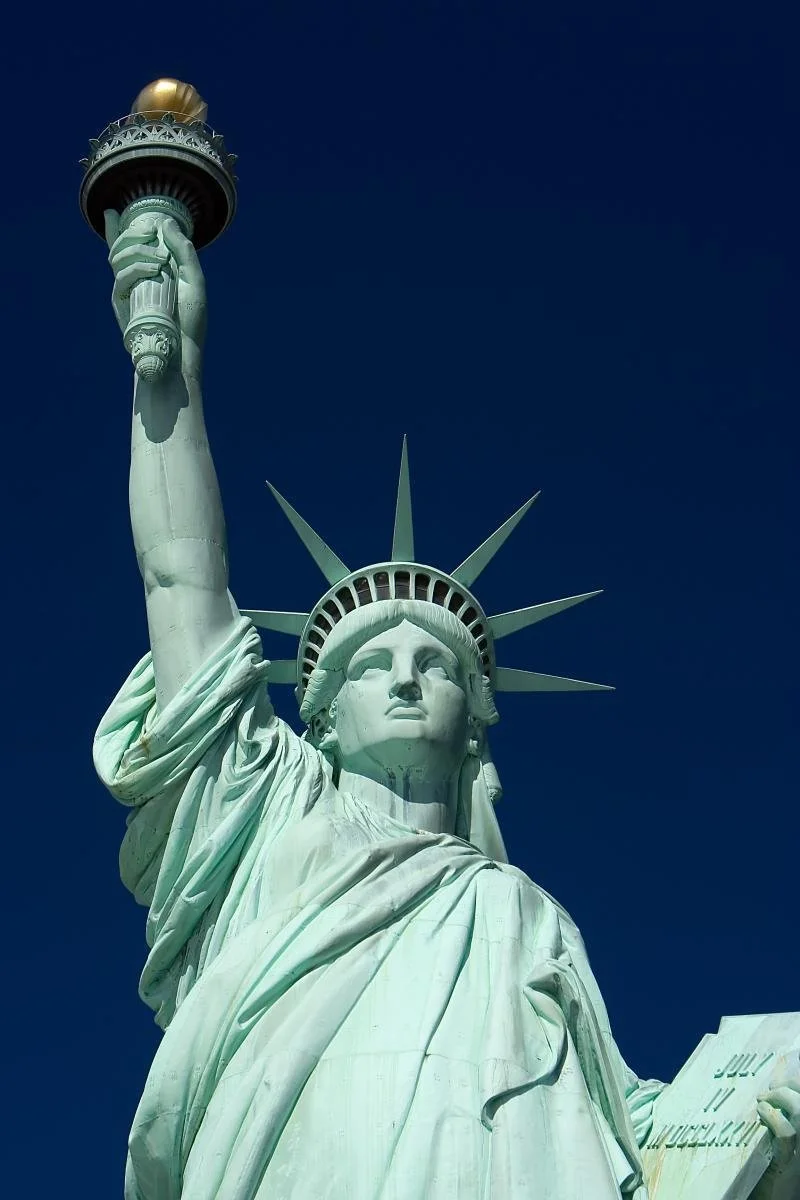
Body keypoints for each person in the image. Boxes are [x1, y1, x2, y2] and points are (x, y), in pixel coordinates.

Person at [94, 213, 799, 1200]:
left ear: (472, 719)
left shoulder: (523, 915)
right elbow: (179, 583)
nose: (403, 676)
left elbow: (618, 1136)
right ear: (322, 716)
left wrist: (767, 1137)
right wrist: (167, 377)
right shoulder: (268, 822)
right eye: (368, 663)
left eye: (432, 663)